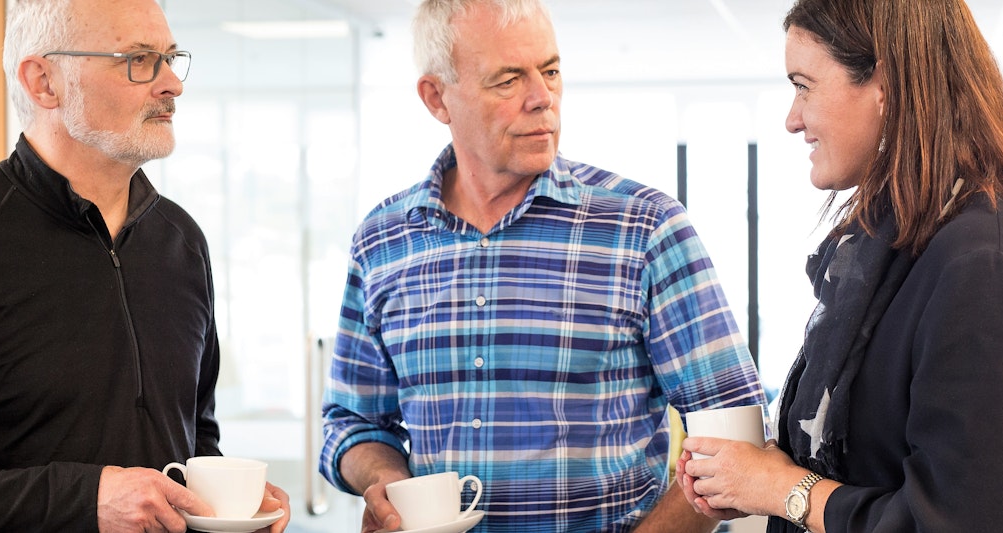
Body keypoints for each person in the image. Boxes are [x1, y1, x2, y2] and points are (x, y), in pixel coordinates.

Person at [0, 1, 290, 532]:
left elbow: (197, 436)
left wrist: (229, 496)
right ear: (44, 81)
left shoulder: (182, 242)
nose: (171, 85)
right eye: (138, 60)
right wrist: (84, 500)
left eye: (170, 58)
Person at [318, 1, 765, 532]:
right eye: (508, 80)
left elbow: (734, 435)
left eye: (550, 71)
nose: (542, 99)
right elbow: (352, 422)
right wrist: (386, 482)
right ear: (437, 97)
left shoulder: (644, 228)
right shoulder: (383, 241)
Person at [675, 0, 1003, 531]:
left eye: (804, 84)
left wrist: (782, 489)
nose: (792, 118)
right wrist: (755, 477)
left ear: (885, 83)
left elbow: (950, 523)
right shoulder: (895, 252)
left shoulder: (981, 266)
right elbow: (871, 464)